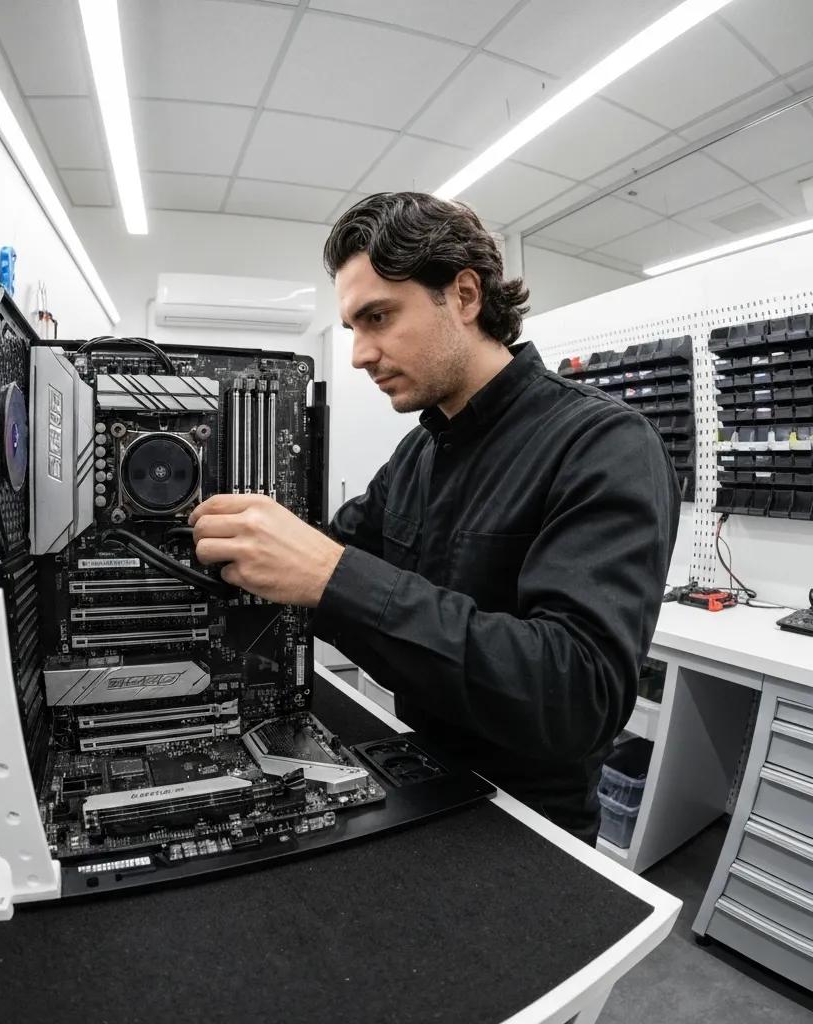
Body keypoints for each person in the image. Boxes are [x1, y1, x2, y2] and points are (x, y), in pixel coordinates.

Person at [189, 191, 680, 845]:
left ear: (466, 296)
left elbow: (576, 696)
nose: (360, 353)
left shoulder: (604, 444)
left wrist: (333, 576)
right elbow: (328, 554)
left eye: (379, 318)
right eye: (354, 327)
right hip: (424, 779)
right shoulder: (422, 450)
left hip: (532, 827)